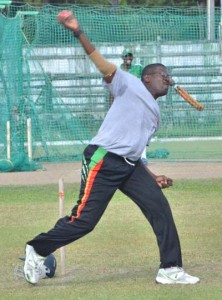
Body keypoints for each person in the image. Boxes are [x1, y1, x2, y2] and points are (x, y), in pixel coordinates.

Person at [23, 10, 200, 285]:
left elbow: (136, 153)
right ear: (147, 78)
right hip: (104, 160)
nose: (167, 78)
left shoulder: (155, 114)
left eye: (168, 75)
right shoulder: (129, 84)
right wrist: (78, 32)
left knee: (160, 208)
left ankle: (170, 269)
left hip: (129, 166)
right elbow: (103, 65)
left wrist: (153, 178)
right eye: (161, 74)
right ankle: (37, 248)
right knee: (84, 221)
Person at [120, 50, 148, 165]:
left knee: (141, 129)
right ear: (122, 57)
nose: (129, 58)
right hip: (125, 104)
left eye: (130, 56)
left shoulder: (138, 68)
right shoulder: (119, 70)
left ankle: (143, 156)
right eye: (126, 56)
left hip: (138, 102)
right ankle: (127, 155)